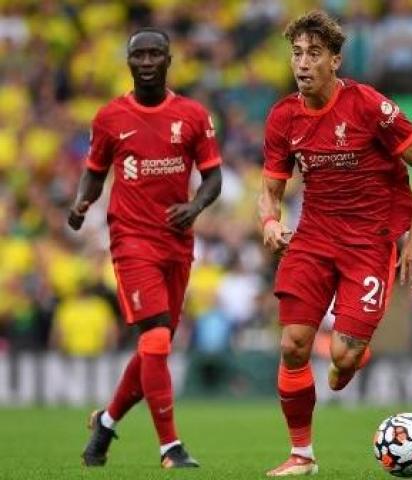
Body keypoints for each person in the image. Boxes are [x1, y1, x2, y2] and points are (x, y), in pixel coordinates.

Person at [259, 10, 412, 477]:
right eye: (297, 53)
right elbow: (272, 183)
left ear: (335, 61)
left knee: (341, 361)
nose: (303, 63)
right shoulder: (283, 116)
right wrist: (269, 220)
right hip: (313, 238)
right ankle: (302, 455)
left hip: (369, 243)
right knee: (294, 345)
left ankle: (351, 357)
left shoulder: (368, 106)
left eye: (314, 54)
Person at [68, 28, 222, 468]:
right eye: (140, 54)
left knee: (155, 348)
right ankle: (170, 447)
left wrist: (195, 206)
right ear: (129, 62)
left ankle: (106, 424)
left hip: (177, 241)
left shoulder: (192, 115)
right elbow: (95, 170)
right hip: (132, 239)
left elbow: (213, 177)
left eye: (156, 53)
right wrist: (83, 202)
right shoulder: (110, 117)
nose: (148, 61)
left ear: (170, 59)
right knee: (154, 337)